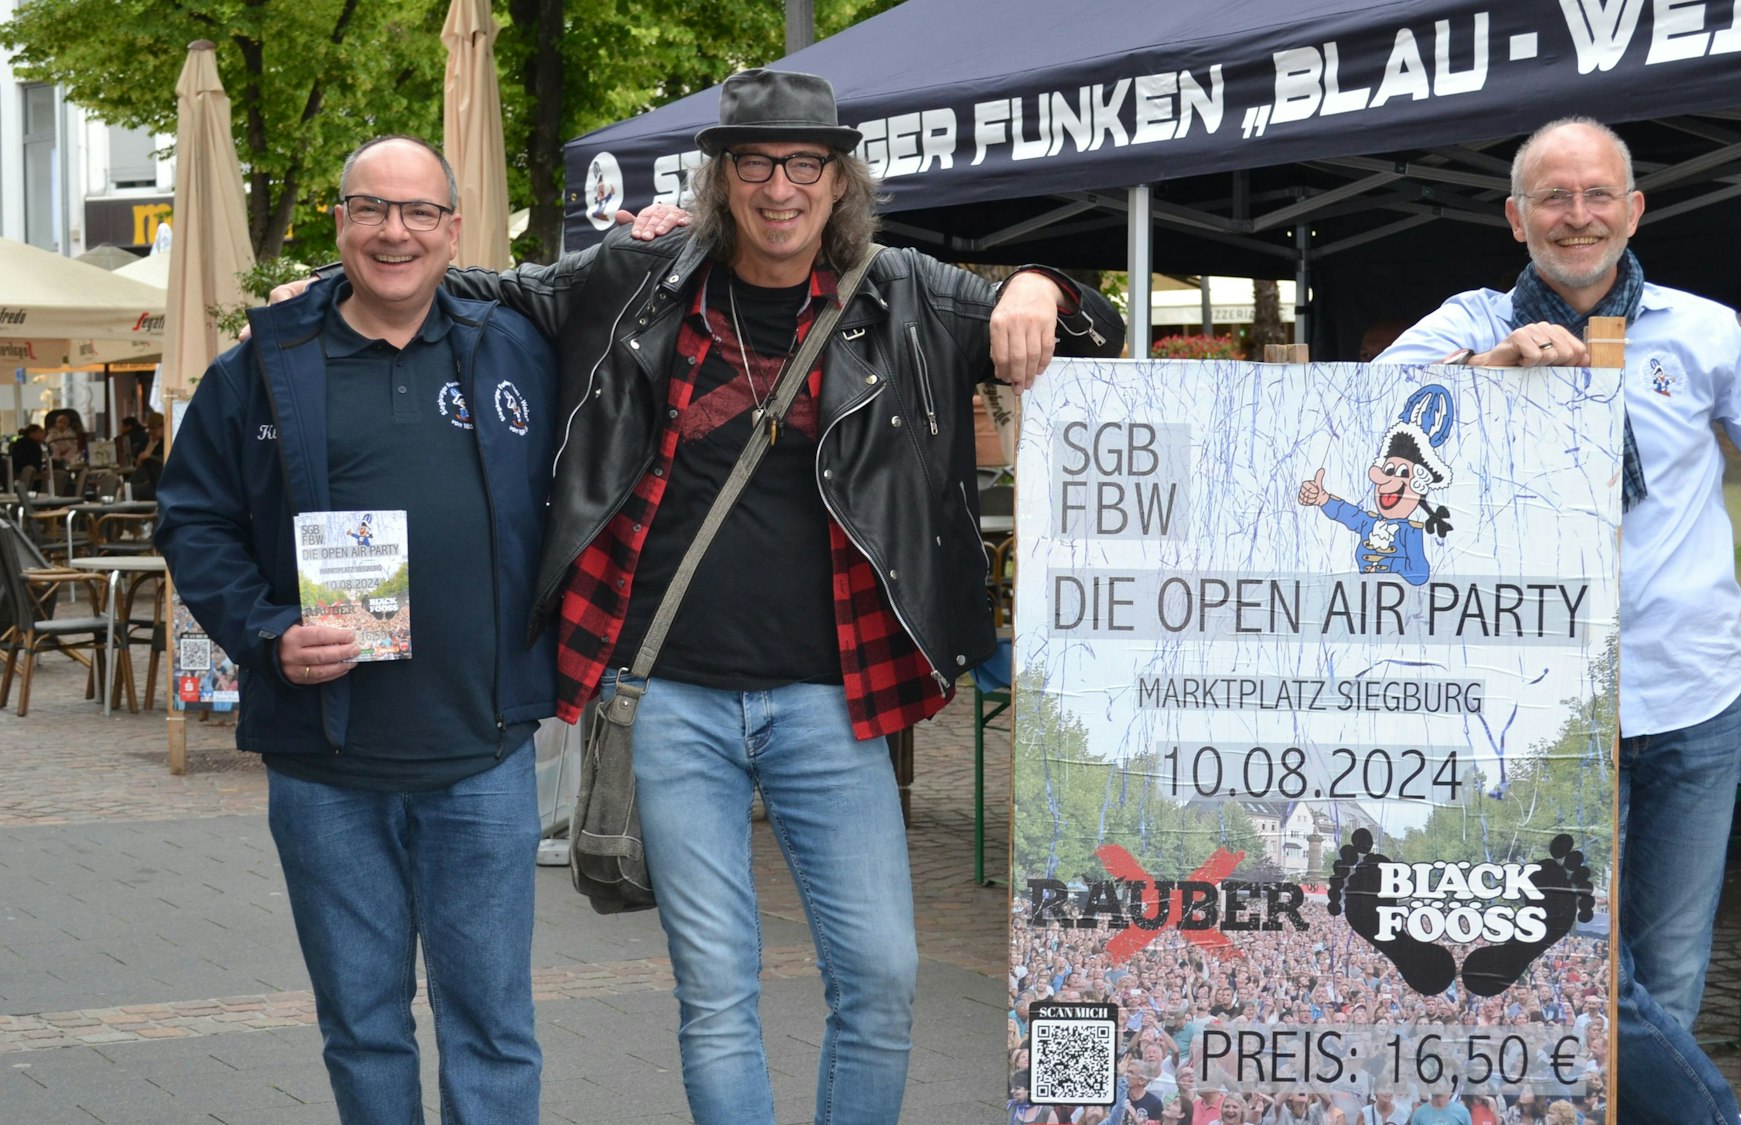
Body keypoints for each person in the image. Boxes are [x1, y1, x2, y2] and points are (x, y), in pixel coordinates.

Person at [269, 69, 1123, 1125]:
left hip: (833, 700)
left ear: (837, 179)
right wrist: (317, 288)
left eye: (804, 164)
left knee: (883, 974)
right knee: (716, 991)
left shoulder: (902, 291)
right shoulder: (636, 278)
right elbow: (470, 289)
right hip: (666, 697)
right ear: (720, 178)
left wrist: (1040, 284)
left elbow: (1097, 337)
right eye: (754, 163)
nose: (779, 187)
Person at [1378, 117, 1741, 1124]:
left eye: (1598, 194)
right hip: (1539, 721)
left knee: (1668, 971)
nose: (1577, 216)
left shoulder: (1701, 332)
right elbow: (1352, 422)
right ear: (1515, 219)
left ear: (1633, 209)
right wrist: (1493, 369)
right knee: (1563, 952)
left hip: (1689, 701)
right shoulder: (1465, 322)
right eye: (1552, 198)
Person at [155, 135, 558, 1123]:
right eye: (370, 208)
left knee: (494, 1025)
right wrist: (264, 630)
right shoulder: (262, 365)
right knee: (363, 1022)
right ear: (336, 223)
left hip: (483, 752)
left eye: (419, 211)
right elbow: (192, 518)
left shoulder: (518, 348)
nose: (394, 230)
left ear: (454, 232)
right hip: (324, 766)